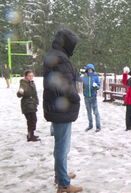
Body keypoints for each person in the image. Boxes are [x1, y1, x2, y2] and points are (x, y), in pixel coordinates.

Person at [43, 29, 82, 192]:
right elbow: (65, 84)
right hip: (62, 107)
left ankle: (60, 175)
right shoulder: (61, 58)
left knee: (60, 145)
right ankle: (64, 184)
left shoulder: (54, 55)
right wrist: (76, 98)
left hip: (56, 106)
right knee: (62, 147)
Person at [17, 70, 40, 142]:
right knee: (31, 120)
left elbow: (35, 93)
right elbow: (19, 94)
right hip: (27, 105)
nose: (31, 77)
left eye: (32, 76)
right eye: (29, 76)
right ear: (26, 76)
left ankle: (31, 134)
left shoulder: (32, 82)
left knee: (33, 120)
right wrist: (20, 92)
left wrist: (37, 101)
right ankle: (30, 136)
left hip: (32, 104)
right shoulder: (23, 83)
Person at [81, 64, 101, 132]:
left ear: (93, 70)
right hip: (86, 97)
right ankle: (90, 125)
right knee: (88, 112)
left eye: (91, 69)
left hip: (93, 97)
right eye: (88, 69)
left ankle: (98, 127)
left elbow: (99, 86)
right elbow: (79, 80)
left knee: (96, 112)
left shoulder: (95, 77)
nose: (90, 71)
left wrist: (96, 86)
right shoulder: (84, 77)